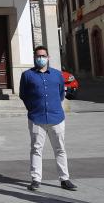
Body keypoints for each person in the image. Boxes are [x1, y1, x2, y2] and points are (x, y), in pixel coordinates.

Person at [18, 46, 77, 192]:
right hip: (36, 118)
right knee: (36, 149)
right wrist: (32, 108)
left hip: (56, 117)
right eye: (38, 56)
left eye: (43, 56)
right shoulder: (27, 75)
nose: (40, 58)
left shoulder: (57, 75)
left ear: (48, 57)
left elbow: (60, 94)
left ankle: (64, 179)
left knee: (60, 149)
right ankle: (36, 179)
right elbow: (23, 94)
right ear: (34, 58)